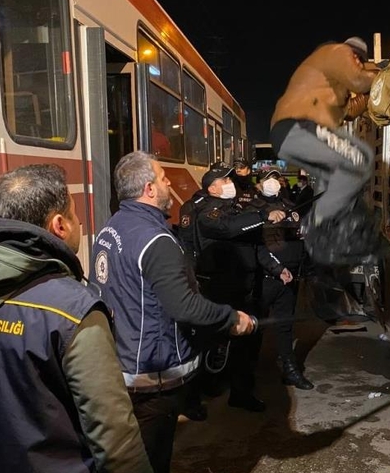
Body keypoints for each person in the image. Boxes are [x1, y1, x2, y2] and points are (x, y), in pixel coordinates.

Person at [0, 164, 153, 473]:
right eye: (75, 215)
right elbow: (116, 442)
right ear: (59, 225)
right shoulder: (74, 312)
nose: (78, 224)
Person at [91, 151, 255, 473]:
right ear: (149, 189)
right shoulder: (155, 240)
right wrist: (231, 318)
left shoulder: (111, 228)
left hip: (122, 366)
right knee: (152, 461)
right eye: (164, 179)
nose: (169, 185)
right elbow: (184, 305)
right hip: (152, 379)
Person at [270, 36, 381, 266]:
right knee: (360, 160)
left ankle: (331, 242)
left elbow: (350, 110)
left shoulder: (332, 85)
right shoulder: (338, 52)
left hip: (291, 134)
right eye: (359, 61)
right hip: (299, 125)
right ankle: (316, 224)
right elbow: (359, 80)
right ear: (356, 56)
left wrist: (368, 94)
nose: (359, 65)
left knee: (339, 182)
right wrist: (379, 73)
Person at [194, 164, 292, 412]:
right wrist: (262, 216)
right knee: (213, 339)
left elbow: (255, 246)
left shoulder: (234, 208)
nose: (231, 184)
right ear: (212, 187)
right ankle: (199, 393)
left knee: (247, 343)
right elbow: (227, 227)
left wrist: (277, 269)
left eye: (231, 180)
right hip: (221, 288)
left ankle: (241, 392)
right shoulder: (208, 210)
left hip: (245, 287)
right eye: (225, 181)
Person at [251, 170, 314, 389]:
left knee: (285, 326)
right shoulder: (254, 208)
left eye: (276, 178)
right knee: (255, 327)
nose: (272, 182)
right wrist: (276, 268)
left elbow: (298, 234)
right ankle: (247, 376)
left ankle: (290, 369)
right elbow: (256, 246)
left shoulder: (289, 205)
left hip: (289, 278)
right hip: (265, 277)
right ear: (260, 183)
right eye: (267, 178)